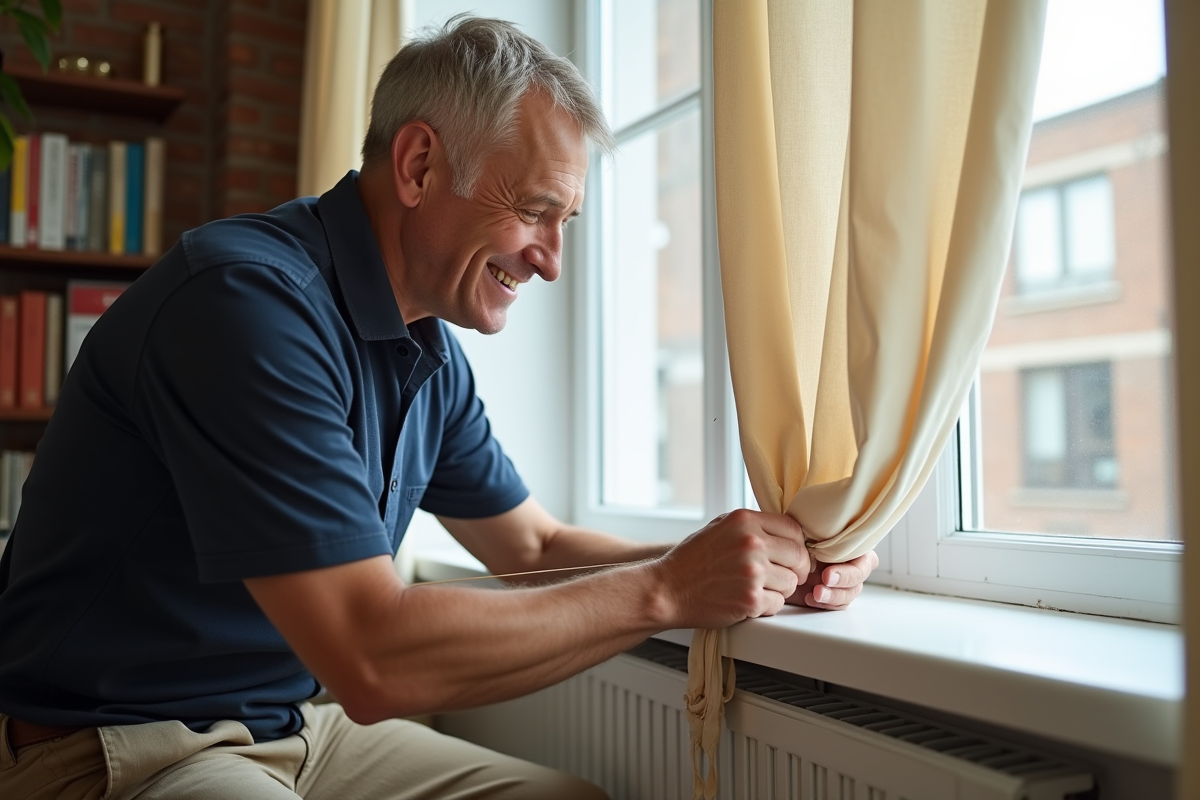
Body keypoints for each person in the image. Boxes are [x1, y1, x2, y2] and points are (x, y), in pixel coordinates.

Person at [0, 15, 878, 800]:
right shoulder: (246, 306)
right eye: (536, 211)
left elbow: (533, 548)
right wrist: (664, 591)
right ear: (420, 164)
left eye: (565, 220)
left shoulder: (429, 354)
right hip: (120, 746)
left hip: (294, 729)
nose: (551, 261)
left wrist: (753, 557)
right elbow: (372, 656)